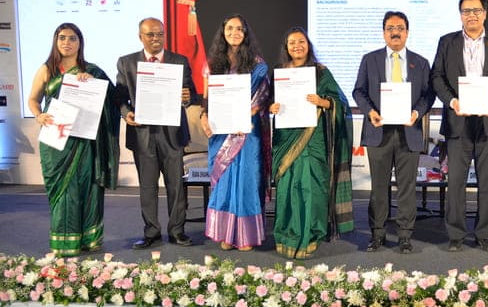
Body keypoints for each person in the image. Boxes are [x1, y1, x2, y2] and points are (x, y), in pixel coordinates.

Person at [430, 0, 488, 252]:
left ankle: (485, 235)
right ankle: (456, 234)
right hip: (458, 120)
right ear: (460, 15)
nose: (471, 16)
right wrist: (452, 101)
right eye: (466, 11)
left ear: (485, 14)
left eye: (476, 11)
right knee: (456, 181)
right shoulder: (447, 42)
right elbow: (436, 77)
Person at [28, 23, 120, 256]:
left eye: (72, 38)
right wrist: (39, 115)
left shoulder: (92, 71)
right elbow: (33, 99)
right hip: (56, 141)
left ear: (80, 42)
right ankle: (64, 242)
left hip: (85, 140)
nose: (66, 43)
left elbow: (114, 99)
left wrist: (94, 85)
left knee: (87, 187)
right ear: (55, 41)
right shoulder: (46, 69)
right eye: (62, 38)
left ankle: (89, 239)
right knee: (63, 191)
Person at [352, 11, 435, 254]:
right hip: (378, 131)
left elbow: (428, 95)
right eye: (390, 28)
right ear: (383, 32)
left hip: (409, 131)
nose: (395, 32)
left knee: (407, 188)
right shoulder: (370, 60)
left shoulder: (421, 62)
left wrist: (417, 113)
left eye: (400, 28)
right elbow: (358, 91)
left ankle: (405, 236)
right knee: (379, 187)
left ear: (407, 32)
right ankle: (377, 234)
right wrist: (370, 112)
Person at [269, 27, 354, 259]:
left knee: (311, 184)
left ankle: (312, 233)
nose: (297, 46)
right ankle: (287, 232)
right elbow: (271, 101)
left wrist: (323, 102)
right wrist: (272, 107)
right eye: (292, 42)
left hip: (313, 137)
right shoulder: (279, 72)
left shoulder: (320, 72)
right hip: (286, 137)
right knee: (288, 185)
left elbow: (341, 103)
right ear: (286, 47)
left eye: (301, 41)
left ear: (308, 45)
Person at [117, 18, 199, 249]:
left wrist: (187, 97)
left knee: (176, 185)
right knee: (147, 186)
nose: (156, 38)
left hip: (172, 134)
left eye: (160, 34)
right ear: (140, 36)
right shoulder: (126, 62)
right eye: (150, 34)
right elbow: (120, 97)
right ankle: (151, 232)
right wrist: (126, 113)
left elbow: (192, 93)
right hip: (142, 133)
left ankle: (177, 231)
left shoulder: (179, 61)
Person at [199, 14, 270, 251]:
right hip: (221, 132)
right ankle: (226, 234)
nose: (234, 33)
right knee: (225, 179)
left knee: (247, 178)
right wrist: (203, 116)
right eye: (230, 28)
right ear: (223, 32)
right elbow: (207, 98)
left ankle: (246, 235)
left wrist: (246, 115)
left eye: (239, 29)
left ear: (245, 33)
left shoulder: (258, 64)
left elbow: (263, 96)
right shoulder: (212, 64)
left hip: (247, 131)